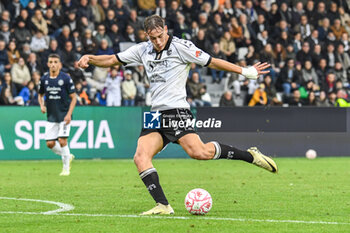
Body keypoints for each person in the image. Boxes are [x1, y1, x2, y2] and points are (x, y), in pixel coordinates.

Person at [78, 15, 277, 215]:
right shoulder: (142, 49)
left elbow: (212, 62)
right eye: (152, 38)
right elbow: (113, 59)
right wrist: (91, 58)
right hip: (155, 113)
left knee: (200, 153)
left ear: (165, 29)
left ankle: (250, 156)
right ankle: (163, 205)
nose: (157, 41)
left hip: (176, 110)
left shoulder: (181, 47)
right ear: (147, 35)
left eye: (160, 36)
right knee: (140, 157)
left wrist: (245, 71)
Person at [38, 54, 76, 176]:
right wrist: (42, 105)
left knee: (62, 140)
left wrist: (69, 114)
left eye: (55, 62)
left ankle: (66, 169)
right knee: (50, 144)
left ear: (59, 64)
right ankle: (67, 155)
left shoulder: (65, 78)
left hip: (64, 115)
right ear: (48, 64)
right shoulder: (44, 79)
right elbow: (40, 94)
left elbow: (74, 98)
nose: (53, 64)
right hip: (52, 116)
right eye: (51, 62)